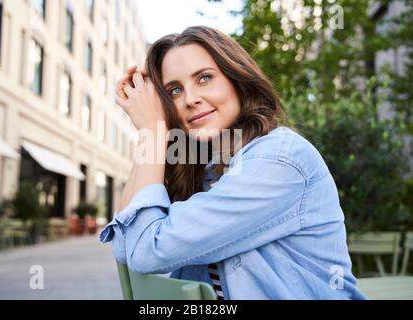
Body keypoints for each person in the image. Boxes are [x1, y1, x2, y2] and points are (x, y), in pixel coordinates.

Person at [100, 25, 366, 300]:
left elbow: (146, 251)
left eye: (204, 78)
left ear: (236, 79)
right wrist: (151, 135)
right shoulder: (212, 168)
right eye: (175, 90)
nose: (190, 99)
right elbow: (127, 244)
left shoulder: (277, 161)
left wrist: (152, 132)